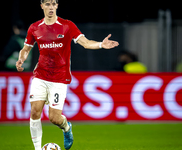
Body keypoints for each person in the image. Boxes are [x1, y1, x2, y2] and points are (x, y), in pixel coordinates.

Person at [15, 0, 119, 150]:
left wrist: (101, 44)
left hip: (59, 78)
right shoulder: (34, 27)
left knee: (54, 118)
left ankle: (66, 128)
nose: (51, 7)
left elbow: (86, 43)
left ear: (57, 6)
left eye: (53, 4)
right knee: (35, 111)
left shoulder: (67, 25)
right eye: (47, 4)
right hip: (40, 75)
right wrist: (21, 58)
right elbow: (26, 48)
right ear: (42, 6)